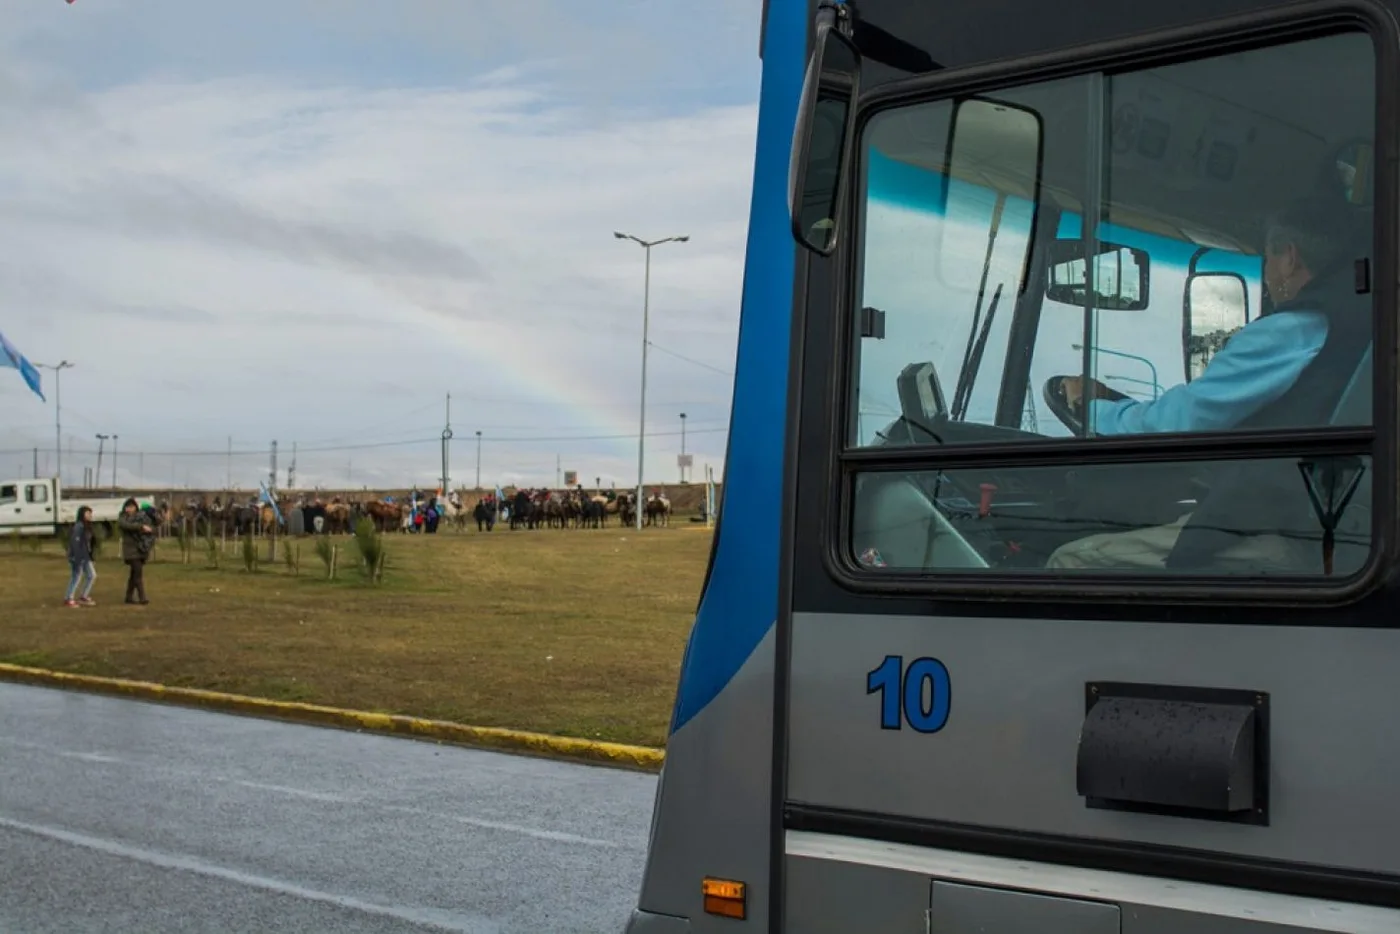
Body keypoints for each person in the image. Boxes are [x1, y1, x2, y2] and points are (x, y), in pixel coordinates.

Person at [1047, 195, 1368, 570]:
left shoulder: (1293, 331)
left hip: (1280, 533)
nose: (1267, 276)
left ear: (1289, 257)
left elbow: (1184, 421)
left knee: (1070, 560)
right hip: (1319, 526)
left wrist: (1093, 410)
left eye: (1268, 260)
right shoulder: (1356, 331)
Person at [117, 497, 155, 604]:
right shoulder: (122, 518)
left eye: (132, 507)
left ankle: (128, 597)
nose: (129, 509)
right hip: (130, 551)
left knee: (134, 575)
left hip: (141, 549)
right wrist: (141, 527)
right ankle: (142, 597)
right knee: (138, 574)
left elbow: (152, 526)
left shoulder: (141, 517)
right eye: (128, 507)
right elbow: (126, 526)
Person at [63, 506, 98, 607]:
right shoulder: (79, 526)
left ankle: (84, 596)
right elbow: (75, 543)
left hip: (85, 556)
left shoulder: (88, 526)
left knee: (91, 575)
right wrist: (78, 557)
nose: (90, 515)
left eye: (90, 513)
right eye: (87, 513)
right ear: (82, 514)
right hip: (77, 556)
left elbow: (89, 544)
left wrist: (90, 556)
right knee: (76, 576)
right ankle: (68, 598)